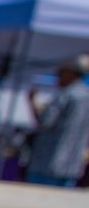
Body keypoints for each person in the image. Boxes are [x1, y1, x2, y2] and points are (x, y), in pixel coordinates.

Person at [26, 56, 89, 188]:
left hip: (47, 164)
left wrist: (32, 102)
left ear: (72, 73)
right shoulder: (86, 96)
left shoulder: (64, 96)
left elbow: (45, 122)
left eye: (61, 73)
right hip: (72, 167)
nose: (58, 76)